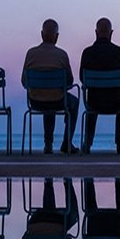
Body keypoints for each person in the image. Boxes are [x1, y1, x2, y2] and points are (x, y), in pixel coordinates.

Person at [22, 18, 79, 154]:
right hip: (57, 100)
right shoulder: (62, 55)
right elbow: (70, 81)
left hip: (35, 100)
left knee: (48, 97)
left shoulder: (31, 54)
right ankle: (67, 143)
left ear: (42, 34)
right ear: (57, 36)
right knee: (73, 102)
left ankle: (48, 144)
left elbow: (24, 81)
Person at [80, 17, 120, 154]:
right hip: (116, 102)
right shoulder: (119, 52)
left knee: (92, 103)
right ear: (111, 33)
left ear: (96, 32)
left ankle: (87, 143)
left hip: (94, 102)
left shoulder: (87, 53)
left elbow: (82, 78)